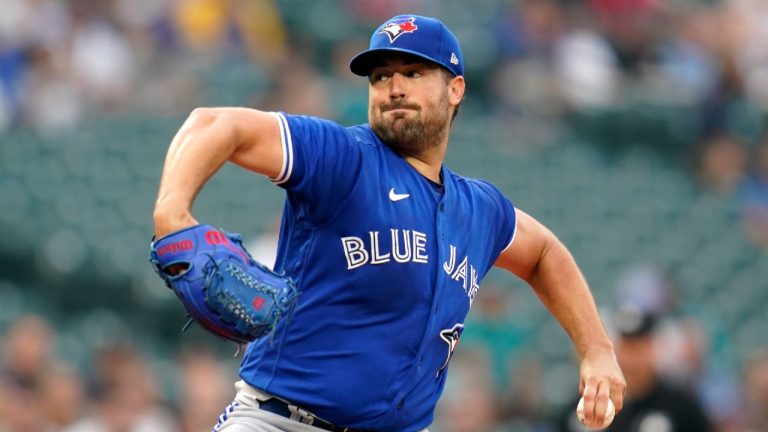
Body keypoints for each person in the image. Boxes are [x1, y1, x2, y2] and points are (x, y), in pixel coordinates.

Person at [152, 14, 625, 432]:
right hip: (281, 421)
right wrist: (172, 215)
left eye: (413, 72)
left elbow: (543, 253)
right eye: (381, 77)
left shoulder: (479, 209)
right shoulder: (343, 158)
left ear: (455, 88)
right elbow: (215, 124)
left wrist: (597, 348)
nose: (394, 87)